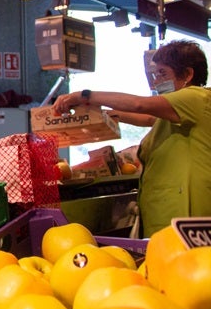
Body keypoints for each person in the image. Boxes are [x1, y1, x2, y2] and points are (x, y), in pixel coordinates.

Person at [52, 40, 210, 238]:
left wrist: (84, 96)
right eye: (156, 75)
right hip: (170, 207)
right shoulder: (174, 113)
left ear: (187, 74)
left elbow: (138, 105)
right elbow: (148, 117)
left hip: (186, 208)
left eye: (163, 74)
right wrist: (100, 115)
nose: (156, 82)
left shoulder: (196, 97)